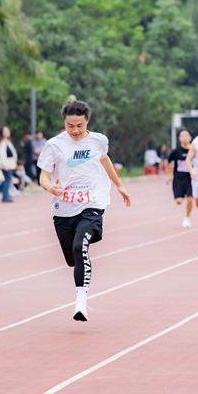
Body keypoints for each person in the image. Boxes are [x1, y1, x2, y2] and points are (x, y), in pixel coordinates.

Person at [37, 100, 131, 322]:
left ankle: (81, 302)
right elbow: (43, 175)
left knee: (80, 246)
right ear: (64, 122)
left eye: (79, 125)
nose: (75, 130)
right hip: (64, 208)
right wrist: (49, 186)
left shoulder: (98, 141)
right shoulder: (54, 145)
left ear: (87, 121)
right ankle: (83, 247)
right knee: (72, 259)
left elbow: (105, 160)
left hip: (92, 203)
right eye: (70, 126)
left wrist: (119, 185)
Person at [165, 129, 194, 228]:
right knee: (178, 201)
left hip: (190, 179)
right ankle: (184, 194)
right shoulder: (176, 151)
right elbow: (168, 162)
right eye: (182, 136)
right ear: (179, 138)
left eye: (186, 135)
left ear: (190, 137)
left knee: (190, 199)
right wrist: (168, 176)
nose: (184, 137)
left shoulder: (194, 151)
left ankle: (187, 218)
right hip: (178, 179)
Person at [0, 126, 18, 203]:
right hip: (6, 165)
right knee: (7, 180)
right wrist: (4, 165)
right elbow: (1, 154)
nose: (8, 132)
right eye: (6, 131)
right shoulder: (0, 142)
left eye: (8, 130)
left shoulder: (7, 141)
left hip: (10, 164)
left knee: (7, 180)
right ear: (2, 133)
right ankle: (5, 198)